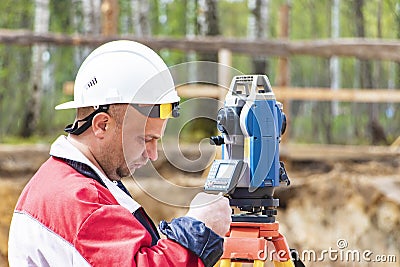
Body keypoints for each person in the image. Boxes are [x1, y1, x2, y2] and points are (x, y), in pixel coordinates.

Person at [8, 40, 232, 267]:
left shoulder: (70, 180)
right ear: (102, 125)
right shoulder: (83, 201)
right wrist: (199, 233)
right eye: (146, 139)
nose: (153, 155)